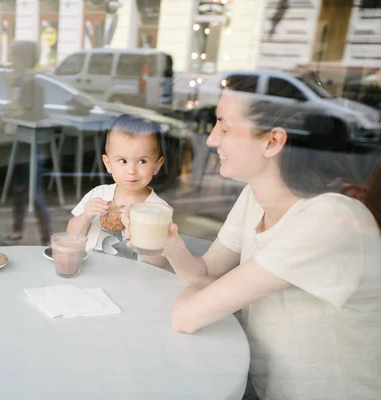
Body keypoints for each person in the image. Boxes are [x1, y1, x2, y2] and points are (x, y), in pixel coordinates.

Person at [132, 85, 381, 399]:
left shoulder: (330, 220)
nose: (211, 139)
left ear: (273, 141)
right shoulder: (255, 195)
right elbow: (207, 270)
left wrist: (213, 291)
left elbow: (187, 315)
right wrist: (170, 244)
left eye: (224, 126)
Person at [68, 114, 169, 265]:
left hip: (134, 283)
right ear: (108, 163)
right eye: (123, 161)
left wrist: (137, 231)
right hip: (93, 273)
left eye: (142, 161)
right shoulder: (98, 194)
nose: (131, 170)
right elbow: (71, 235)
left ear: (157, 165)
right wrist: (86, 216)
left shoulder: (159, 210)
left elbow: (161, 261)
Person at [1, 40, 51, 246]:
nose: (10, 60)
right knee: (19, 188)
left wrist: (9, 88)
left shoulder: (31, 83)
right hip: (24, 142)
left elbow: (19, 111)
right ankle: (17, 231)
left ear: (22, 59)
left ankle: (46, 238)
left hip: (31, 145)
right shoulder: (27, 81)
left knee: (35, 193)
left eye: (13, 56)